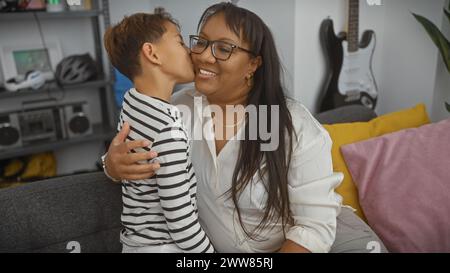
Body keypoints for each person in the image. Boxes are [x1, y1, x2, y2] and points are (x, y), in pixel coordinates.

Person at [103, 2, 387, 253]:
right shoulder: (175, 111)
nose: (204, 56)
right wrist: (112, 166)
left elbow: (314, 227)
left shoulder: (291, 123)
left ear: (253, 64)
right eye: (200, 42)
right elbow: (131, 152)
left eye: (224, 48)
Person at [103, 10, 214, 253]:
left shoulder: (133, 103)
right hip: (163, 247)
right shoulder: (167, 126)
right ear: (152, 54)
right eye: (180, 41)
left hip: (134, 243)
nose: (190, 51)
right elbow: (181, 221)